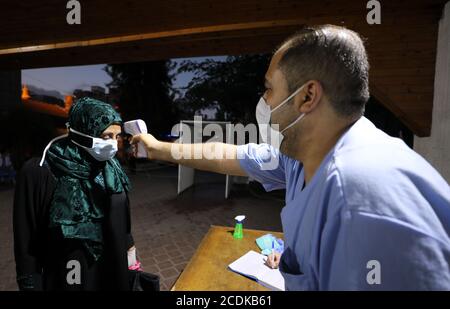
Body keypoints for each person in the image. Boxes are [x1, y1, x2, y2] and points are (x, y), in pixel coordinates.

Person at [130, 25, 450, 290]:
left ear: (307, 97)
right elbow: (227, 155)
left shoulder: (361, 202)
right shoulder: (302, 157)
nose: (264, 101)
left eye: (269, 89)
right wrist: (157, 148)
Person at [14, 97, 135, 290]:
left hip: (114, 269)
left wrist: (130, 254)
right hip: (72, 276)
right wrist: (30, 283)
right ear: (82, 133)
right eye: (106, 136)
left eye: (117, 136)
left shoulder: (112, 167)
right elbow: (26, 241)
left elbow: (123, 216)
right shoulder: (39, 171)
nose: (113, 144)